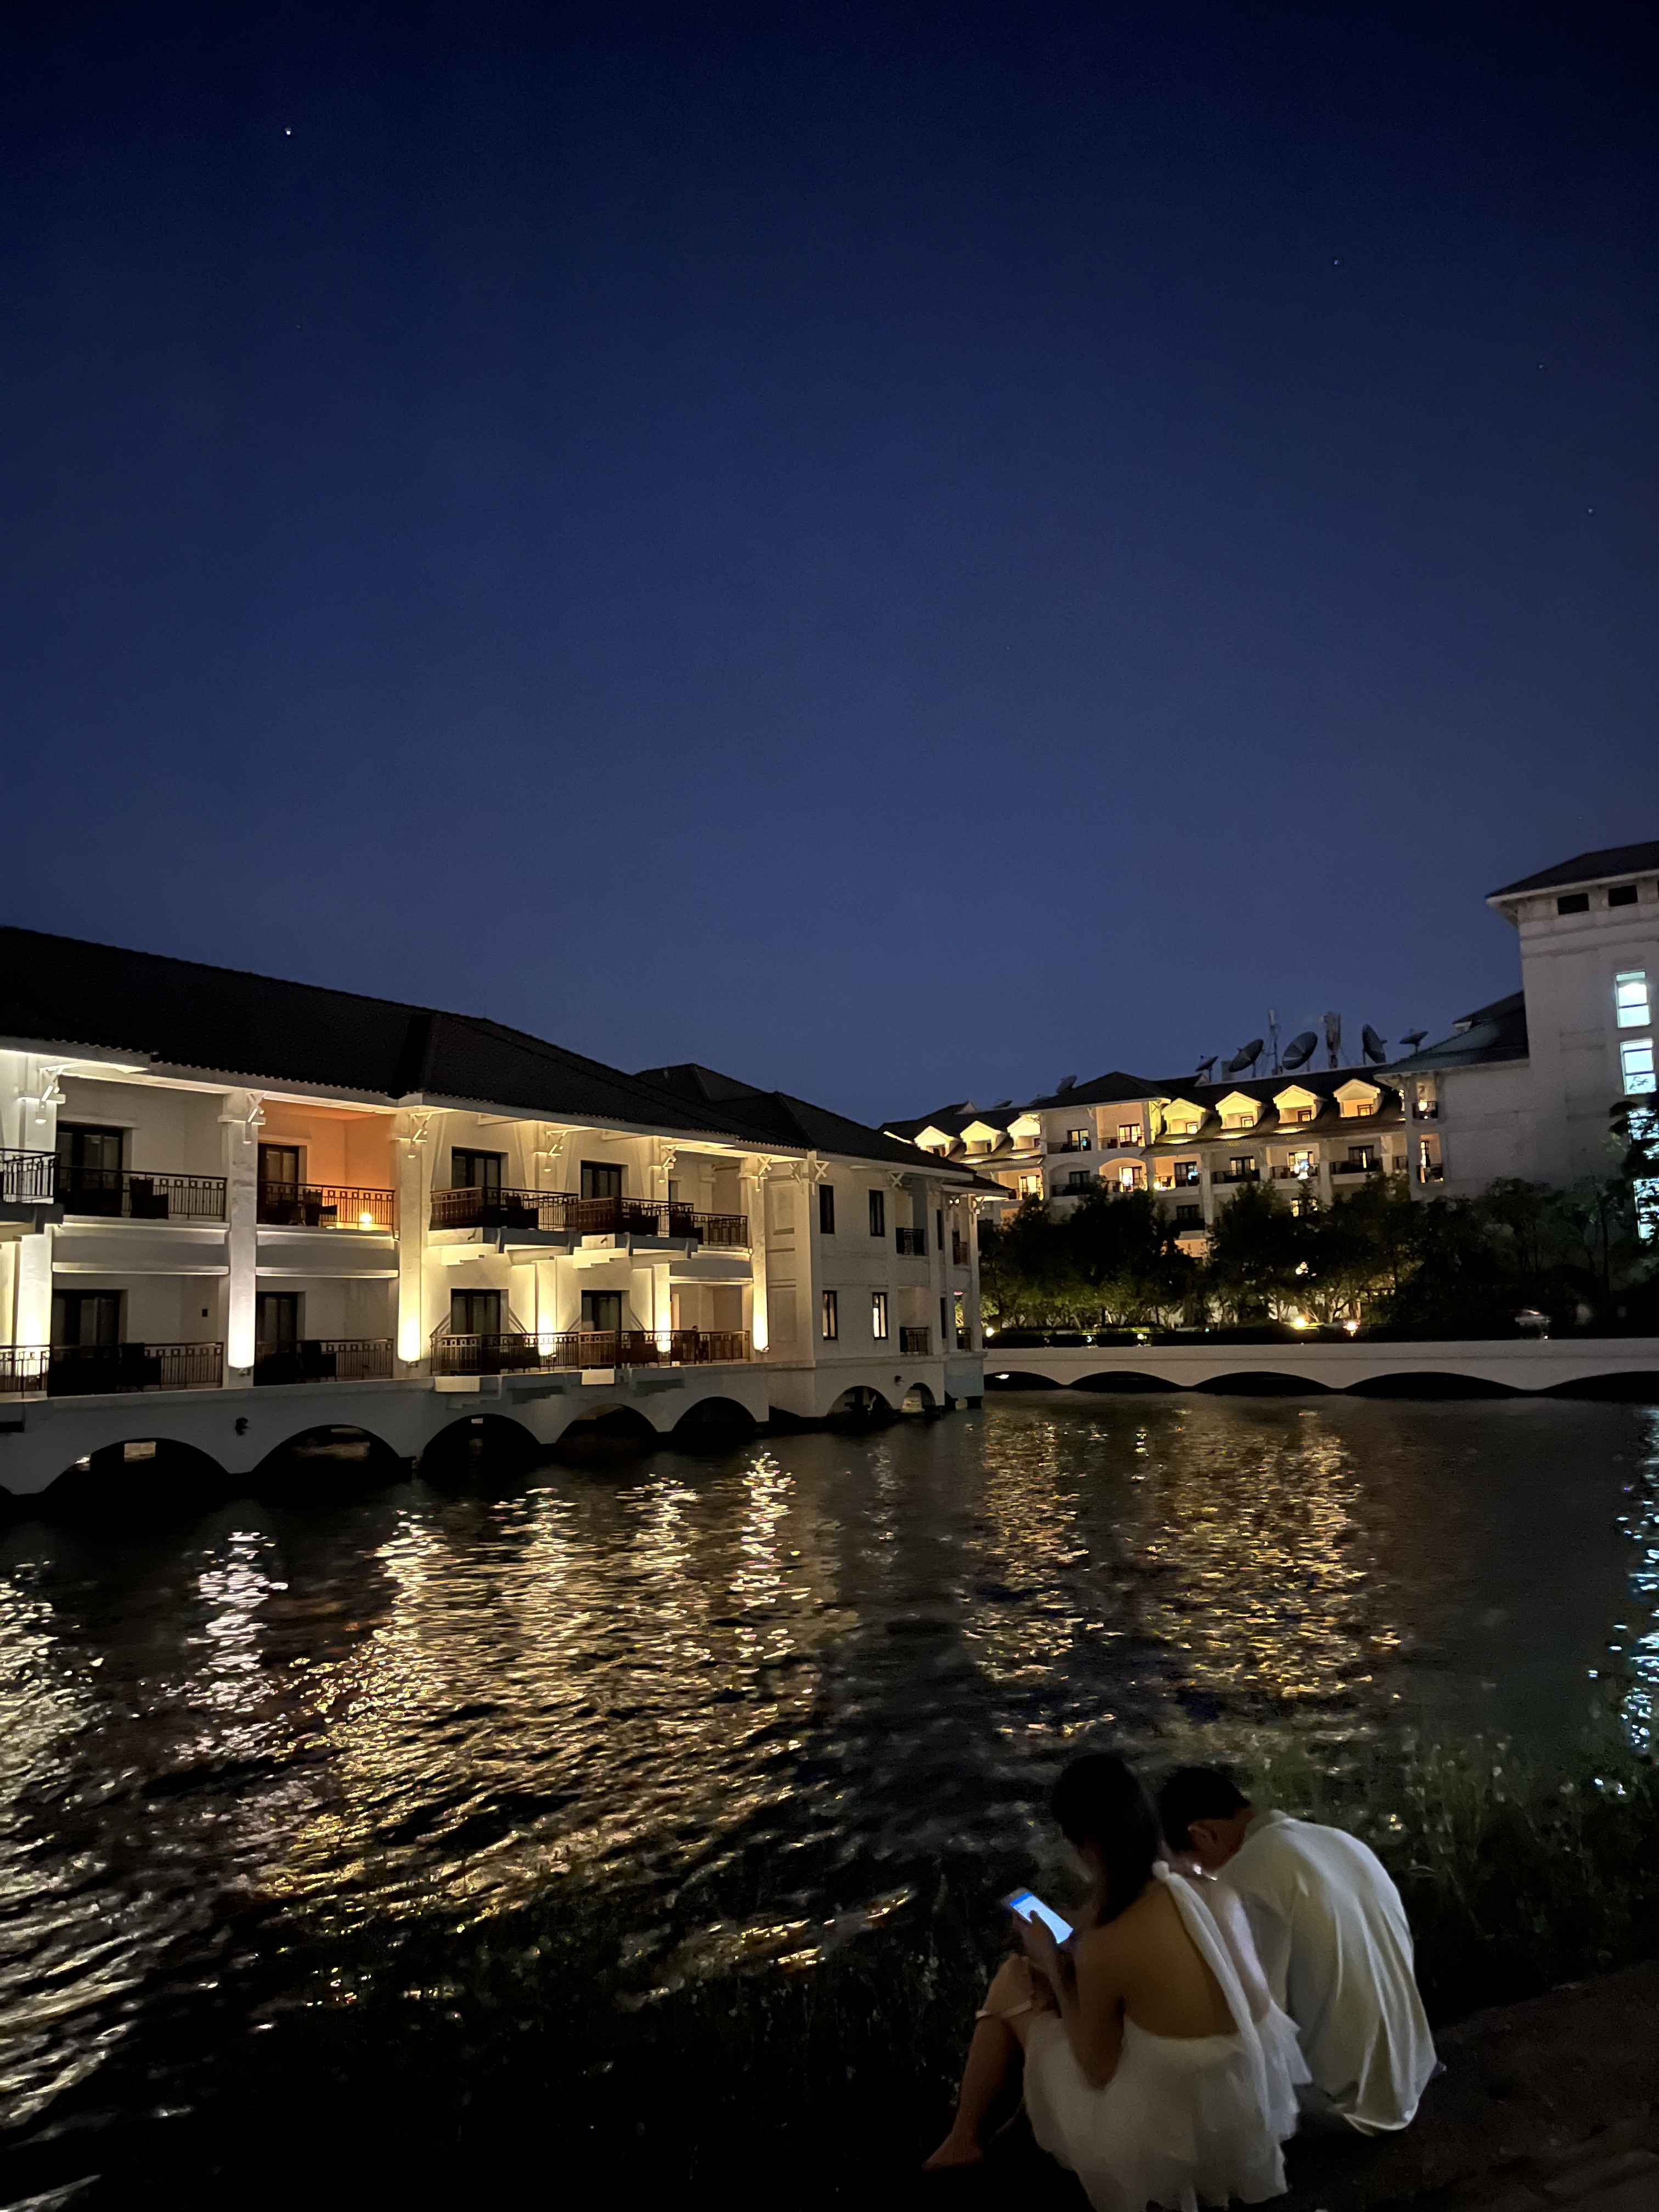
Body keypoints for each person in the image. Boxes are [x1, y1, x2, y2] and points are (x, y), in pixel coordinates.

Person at [926, 1754, 1307, 2210]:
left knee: (1014, 1980)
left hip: (1167, 2134)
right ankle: (1000, 2126)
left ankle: (964, 2137)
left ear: (1087, 1845)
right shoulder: (1215, 1891)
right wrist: (1081, 1939)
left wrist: (1052, 1966)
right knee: (1075, 1985)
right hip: (1246, 2107)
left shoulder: (1108, 1946)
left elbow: (1096, 2069)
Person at [1156, 1768, 1437, 2137]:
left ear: (1203, 1834)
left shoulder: (1243, 1879)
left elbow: (1261, 2024)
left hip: (1347, 2106)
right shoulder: (1339, 1840)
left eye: (1193, 1867)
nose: (1201, 1878)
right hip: (1414, 2071)